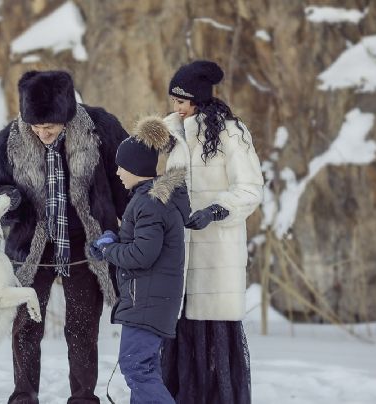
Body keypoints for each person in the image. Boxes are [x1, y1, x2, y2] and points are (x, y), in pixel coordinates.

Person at [0, 70, 129, 404]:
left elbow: (124, 183)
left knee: (81, 328)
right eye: (36, 127)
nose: (43, 134)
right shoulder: (10, 139)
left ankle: (83, 397)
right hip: (30, 246)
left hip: (85, 245)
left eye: (49, 127)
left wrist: (135, 226)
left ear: (66, 114)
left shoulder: (100, 129)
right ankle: (24, 396)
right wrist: (10, 201)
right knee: (26, 326)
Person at [159, 60, 264, 404]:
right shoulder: (170, 134)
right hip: (179, 253)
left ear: (199, 100)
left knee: (214, 340)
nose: (176, 108)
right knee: (180, 337)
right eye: (173, 101)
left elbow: (250, 189)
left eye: (181, 101)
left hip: (216, 252)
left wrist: (216, 210)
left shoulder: (233, 134)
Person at [90, 117, 191, 404]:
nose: (118, 172)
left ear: (135, 167)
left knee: (137, 367)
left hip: (147, 300)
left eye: (122, 166)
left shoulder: (149, 202)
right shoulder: (149, 199)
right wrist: (112, 241)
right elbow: (142, 244)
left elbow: (142, 255)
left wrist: (110, 251)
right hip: (148, 299)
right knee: (142, 369)